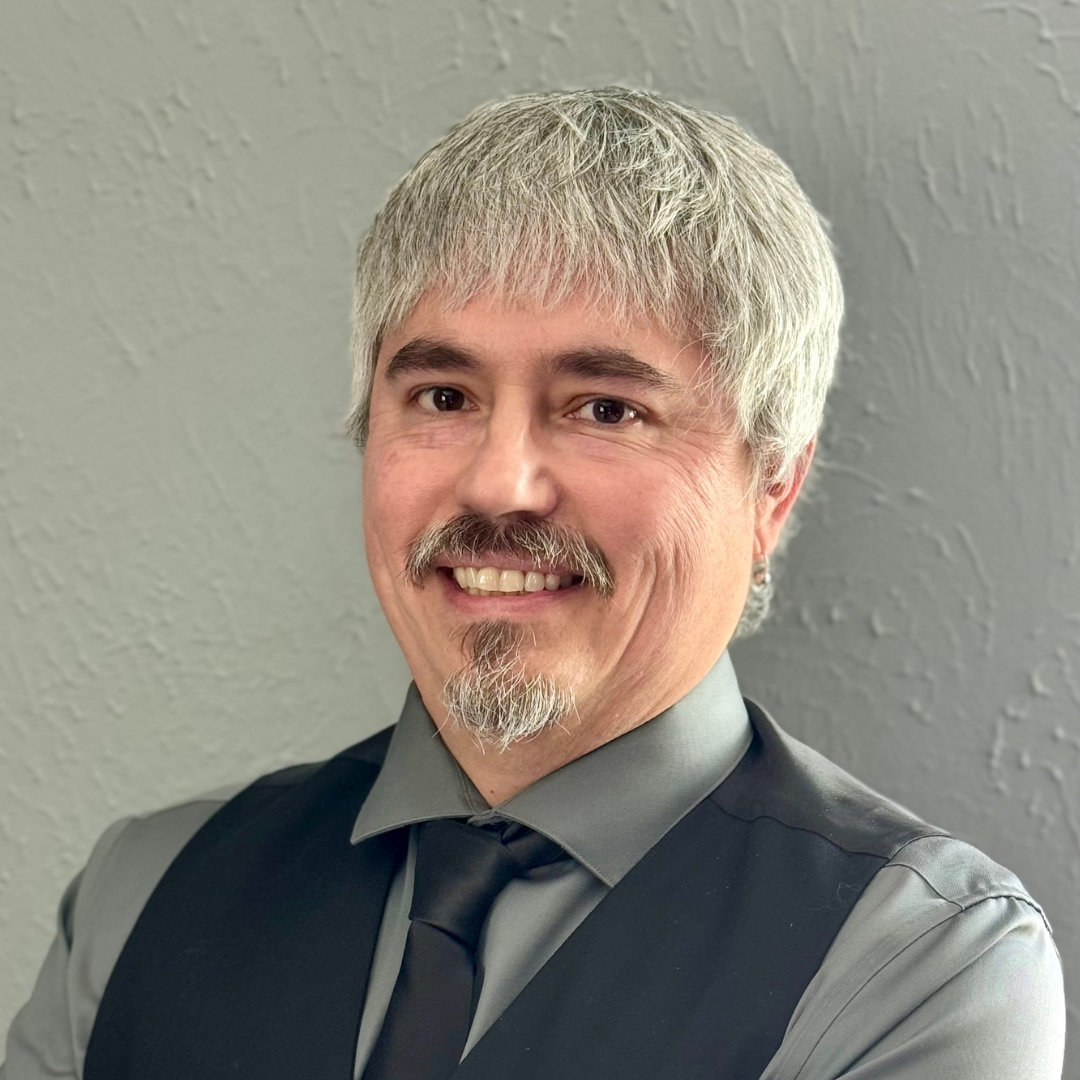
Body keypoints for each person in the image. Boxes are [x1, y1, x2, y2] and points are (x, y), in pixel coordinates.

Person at [2, 87, 1065, 1080]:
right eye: (444, 394)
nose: (499, 484)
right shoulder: (140, 895)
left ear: (772, 490)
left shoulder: (918, 967)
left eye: (606, 408)